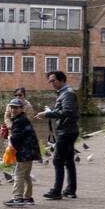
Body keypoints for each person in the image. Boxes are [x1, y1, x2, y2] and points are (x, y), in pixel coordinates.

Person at [36, 70, 78, 199]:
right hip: (68, 130)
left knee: (57, 160)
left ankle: (56, 191)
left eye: (53, 80)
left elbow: (67, 112)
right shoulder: (64, 93)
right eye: (50, 81)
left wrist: (47, 114)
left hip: (66, 132)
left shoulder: (68, 94)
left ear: (62, 80)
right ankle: (70, 190)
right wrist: (51, 111)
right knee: (69, 161)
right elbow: (63, 111)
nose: (51, 83)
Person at [4, 98, 41, 207]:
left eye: (16, 107)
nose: (13, 109)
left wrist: (10, 148)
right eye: (11, 107)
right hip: (30, 151)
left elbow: (16, 138)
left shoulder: (19, 120)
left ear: (21, 108)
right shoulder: (22, 118)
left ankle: (17, 198)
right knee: (25, 175)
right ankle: (27, 198)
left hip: (25, 152)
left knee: (18, 174)